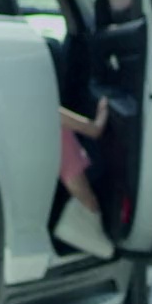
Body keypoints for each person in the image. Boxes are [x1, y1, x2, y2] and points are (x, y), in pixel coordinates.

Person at [54, 96, 115, 259]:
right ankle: (85, 213)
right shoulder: (50, 111)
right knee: (60, 131)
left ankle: (85, 211)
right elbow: (94, 130)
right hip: (66, 164)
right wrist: (103, 110)